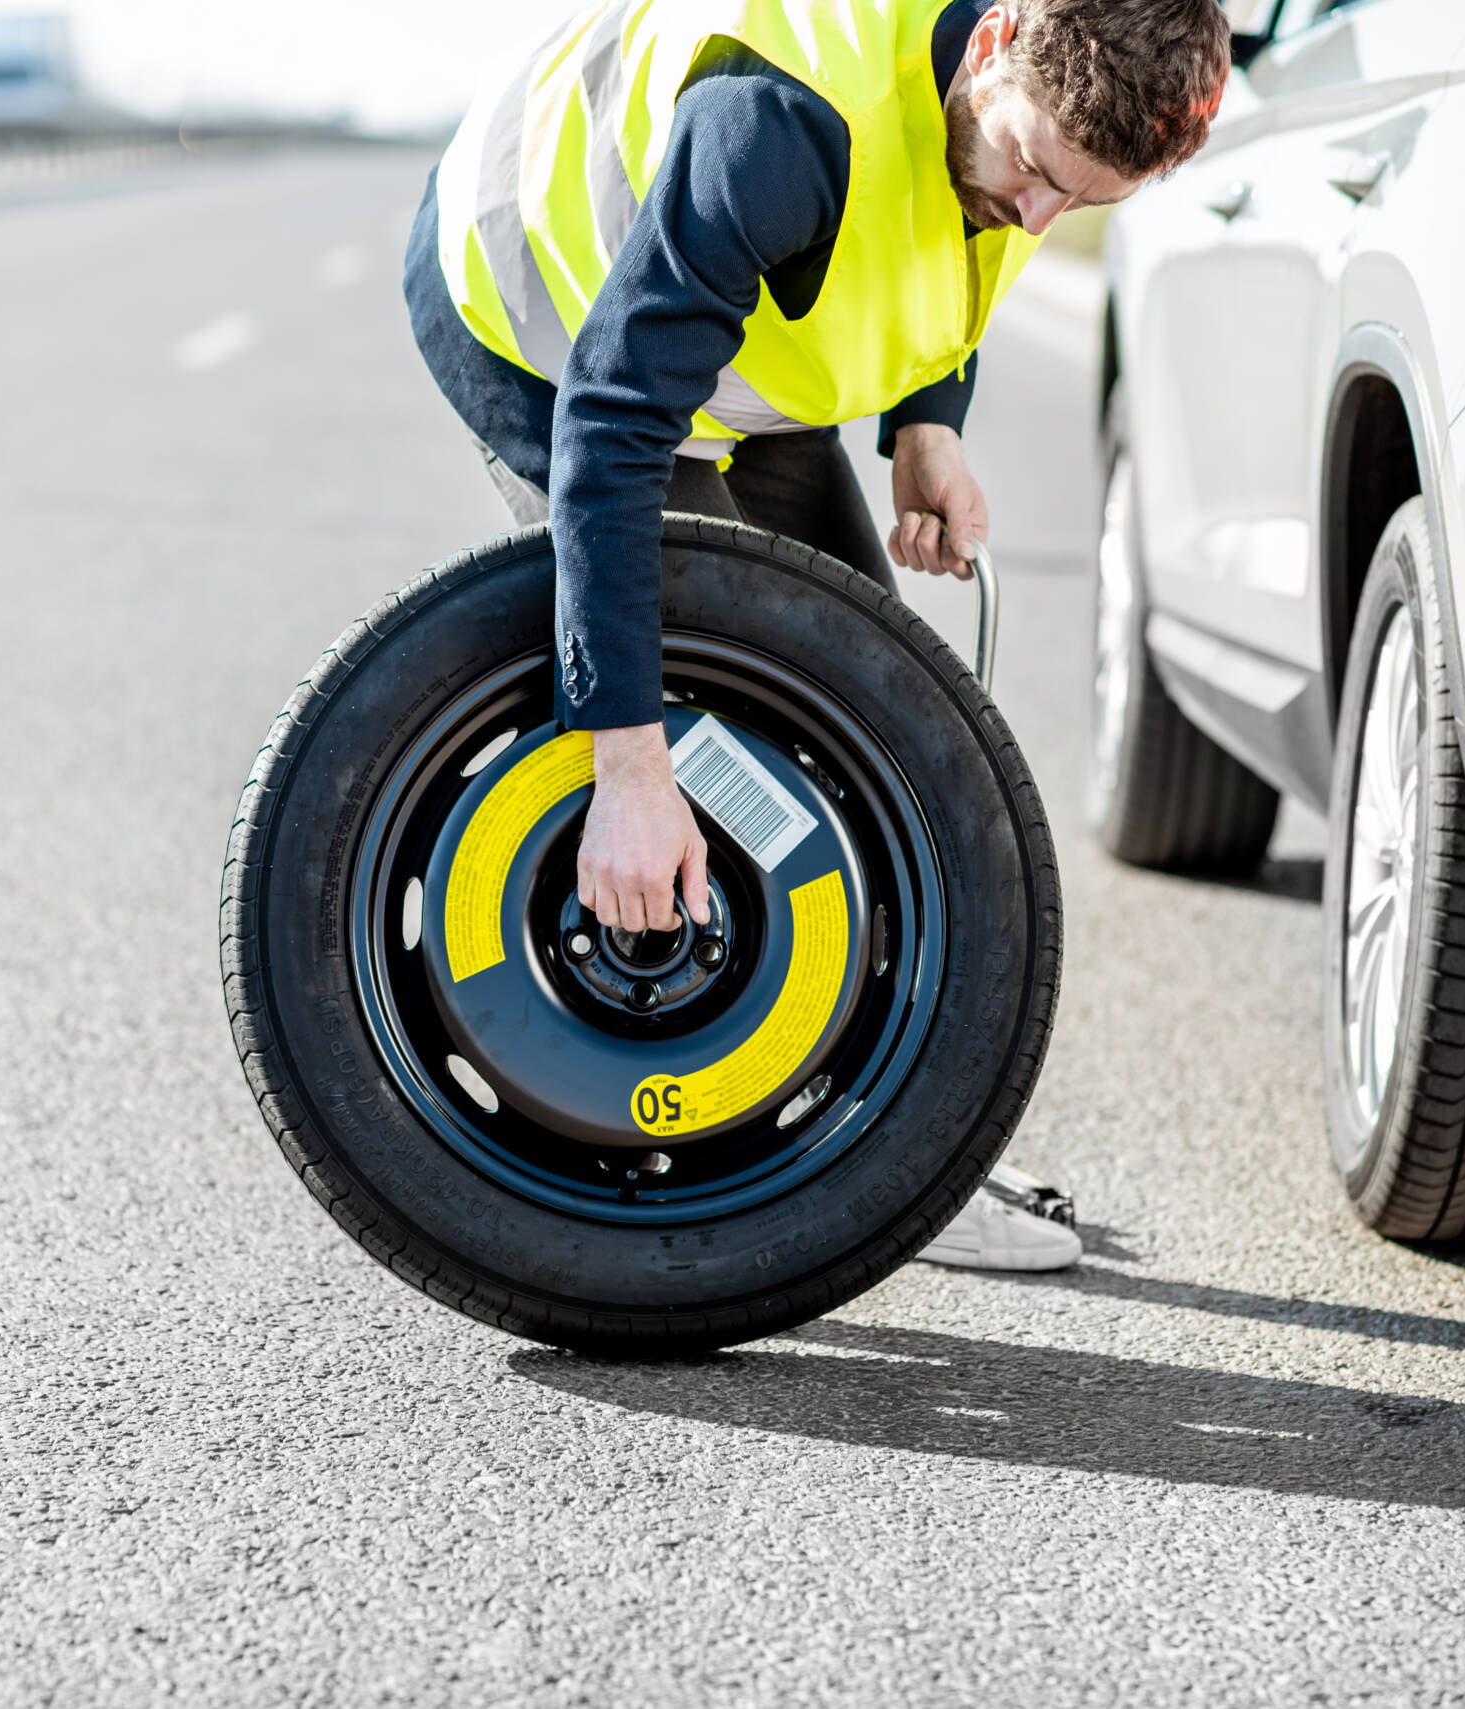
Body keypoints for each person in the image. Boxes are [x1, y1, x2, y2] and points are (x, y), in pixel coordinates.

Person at [405, 0, 1228, 1271]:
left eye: (1084, 205)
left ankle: (893, 1143)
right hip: (547, 316)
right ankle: (741, 1151)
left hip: (737, 338)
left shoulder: (1012, 124)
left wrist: (925, 417)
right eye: (1035, 173)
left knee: (878, 729)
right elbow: (617, 428)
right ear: (999, 38)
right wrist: (627, 765)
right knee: (686, 704)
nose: (1037, 220)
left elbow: (957, 237)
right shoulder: (780, 123)